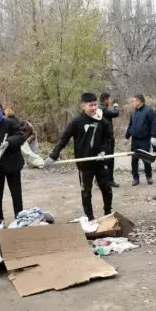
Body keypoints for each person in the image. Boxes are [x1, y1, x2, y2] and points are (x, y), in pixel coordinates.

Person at [45, 93, 113, 224]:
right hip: (84, 163)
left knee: (106, 188)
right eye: (90, 105)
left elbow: (107, 138)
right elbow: (64, 138)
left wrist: (103, 151)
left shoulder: (101, 120)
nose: (94, 108)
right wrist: (54, 155)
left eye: (95, 104)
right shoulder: (76, 122)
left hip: (100, 161)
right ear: (83, 106)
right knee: (86, 191)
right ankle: (90, 217)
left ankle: (108, 213)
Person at [125, 94, 156, 186]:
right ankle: (135, 178)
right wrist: (127, 137)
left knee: (146, 159)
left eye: (133, 101)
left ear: (139, 101)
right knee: (134, 160)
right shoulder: (133, 112)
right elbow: (130, 125)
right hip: (135, 140)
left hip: (145, 139)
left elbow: (154, 123)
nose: (132, 102)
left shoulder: (149, 111)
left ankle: (149, 176)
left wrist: (153, 136)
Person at [98, 92, 120, 187]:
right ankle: (106, 181)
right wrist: (115, 106)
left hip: (104, 138)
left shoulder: (100, 109)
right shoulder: (102, 109)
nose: (110, 101)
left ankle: (106, 180)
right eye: (109, 99)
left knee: (107, 160)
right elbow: (116, 113)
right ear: (106, 100)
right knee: (108, 160)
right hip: (107, 139)